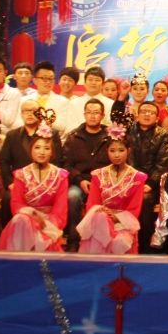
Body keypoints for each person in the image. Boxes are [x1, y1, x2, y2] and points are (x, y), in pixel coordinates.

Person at [0, 124, 68, 253]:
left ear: (52, 152)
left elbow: (60, 207)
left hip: (49, 222)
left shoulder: (61, 175)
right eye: (37, 147)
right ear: (31, 150)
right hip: (26, 220)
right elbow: (17, 204)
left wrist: (47, 223)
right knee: (20, 219)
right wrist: (33, 216)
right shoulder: (21, 174)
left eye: (46, 148)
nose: (42, 152)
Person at [77, 123, 145, 254]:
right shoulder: (98, 175)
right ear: (107, 151)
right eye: (112, 151)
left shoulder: (137, 177)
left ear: (129, 150)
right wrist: (102, 213)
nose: (116, 155)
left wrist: (116, 217)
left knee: (120, 241)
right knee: (100, 219)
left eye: (121, 150)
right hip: (101, 220)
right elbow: (92, 203)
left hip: (124, 222)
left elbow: (134, 208)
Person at [62, 98, 111, 251]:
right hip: (80, 182)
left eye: (96, 112)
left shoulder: (111, 136)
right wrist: (79, 180)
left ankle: (104, 242)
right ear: (84, 114)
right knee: (72, 196)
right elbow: (66, 165)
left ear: (102, 115)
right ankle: (74, 239)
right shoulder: (73, 136)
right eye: (89, 112)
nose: (92, 116)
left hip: (104, 183)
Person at [127, 101, 168, 253]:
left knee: (145, 199)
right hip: (129, 180)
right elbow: (127, 160)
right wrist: (133, 182)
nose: (147, 114)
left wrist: (150, 184)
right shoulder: (128, 132)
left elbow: (163, 164)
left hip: (152, 184)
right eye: (144, 111)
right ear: (137, 115)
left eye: (151, 112)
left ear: (157, 118)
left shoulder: (163, 135)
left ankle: (144, 246)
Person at [17, 61, 70, 135]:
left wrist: (38, 119)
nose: (48, 82)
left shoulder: (63, 102)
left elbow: (62, 126)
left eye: (51, 79)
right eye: (44, 78)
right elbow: (18, 122)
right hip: (27, 137)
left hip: (51, 138)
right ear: (35, 80)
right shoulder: (24, 100)